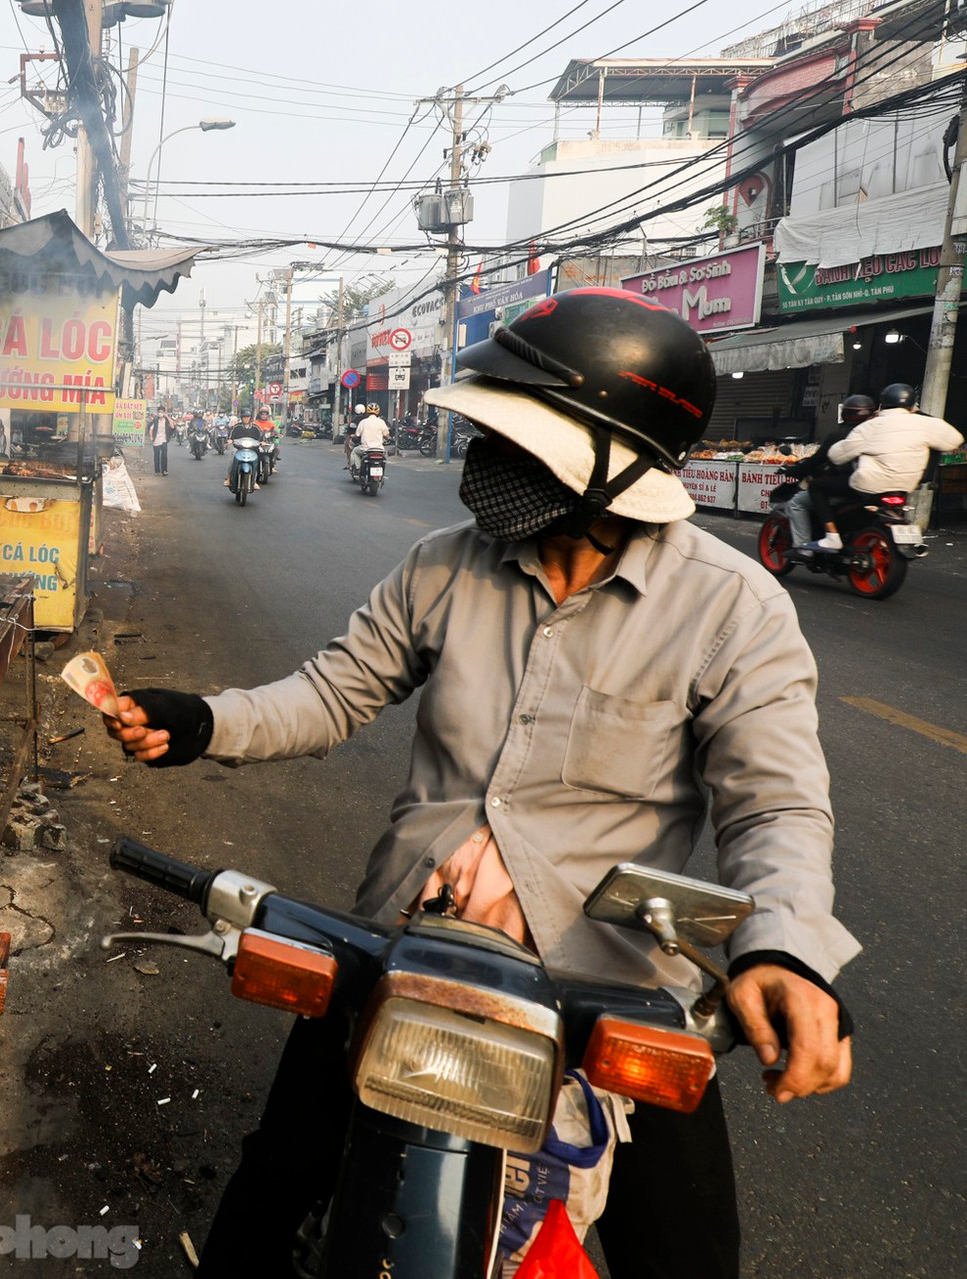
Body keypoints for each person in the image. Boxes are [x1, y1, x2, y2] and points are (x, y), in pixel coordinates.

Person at [103, 289, 856, 1277]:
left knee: (691, 1252)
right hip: (406, 944)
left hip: (608, 985)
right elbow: (331, 692)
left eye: (522, 440)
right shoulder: (442, 567)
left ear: (619, 459)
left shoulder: (733, 609)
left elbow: (778, 803)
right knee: (269, 1189)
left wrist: (786, 952)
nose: (485, 461)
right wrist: (204, 720)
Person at [809, 382, 962, 549]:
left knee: (817, 487)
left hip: (870, 485)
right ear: (913, 405)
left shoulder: (870, 426)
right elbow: (954, 440)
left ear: (882, 404)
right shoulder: (927, 424)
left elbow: (836, 456)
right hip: (907, 485)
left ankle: (832, 536)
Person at [782, 394, 874, 549]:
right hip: (876, 487)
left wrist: (796, 471)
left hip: (850, 486)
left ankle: (804, 547)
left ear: (845, 414)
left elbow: (818, 460)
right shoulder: (879, 434)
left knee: (798, 501)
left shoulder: (841, 436)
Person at [347, 401, 390, 469]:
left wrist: (353, 436)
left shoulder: (363, 422)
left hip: (365, 448)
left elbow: (357, 435)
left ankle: (357, 469)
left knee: (354, 452)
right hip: (379, 449)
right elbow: (387, 435)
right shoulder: (381, 422)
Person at [149, 404, 173, 474]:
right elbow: (151, 429)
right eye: (159, 412)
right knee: (157, 456)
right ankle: (157, 471)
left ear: (164, 413)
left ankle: (164, 470)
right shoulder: (155, 420)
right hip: (156, 440)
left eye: (162, 412)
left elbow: (172, 426)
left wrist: (167, 417)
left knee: (164, 455)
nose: (160, 413)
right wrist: (151, 436)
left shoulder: (166, 420)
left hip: (164, 440)